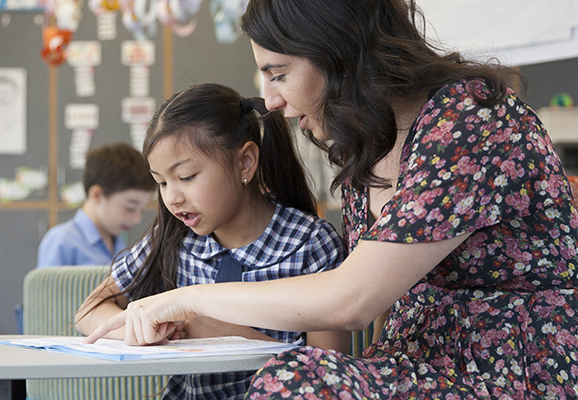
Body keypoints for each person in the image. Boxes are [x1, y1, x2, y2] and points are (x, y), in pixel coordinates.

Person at [85, 0, 578, 398]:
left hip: (513, 372)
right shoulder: (370, 144)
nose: (270, 100)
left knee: (293, 379)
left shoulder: (471, 121)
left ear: (339, 53)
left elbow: (352, 300)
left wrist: (181, 301)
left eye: (278, 74)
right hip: (411, 368)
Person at [75, 83, 350, 399]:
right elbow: (89, 312)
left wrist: (231, 335)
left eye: (187, 177)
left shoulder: (310, 244)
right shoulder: (175, 237)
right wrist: (143, 330)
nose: (172, 198)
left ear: (245, 162)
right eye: (161, 183)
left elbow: (327, 375)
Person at [36, 141, 156, 269]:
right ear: (97, 195)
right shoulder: (61, 241)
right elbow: (47, 289)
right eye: (130, 208)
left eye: (141, 210)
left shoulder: (121, 246)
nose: (138, 219)